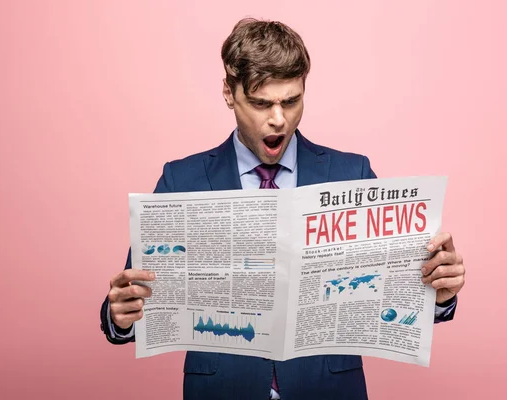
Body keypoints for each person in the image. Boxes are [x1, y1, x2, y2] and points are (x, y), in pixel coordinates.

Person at [100, 18, 466, 399]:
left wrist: (439, 294)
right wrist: (120, 316)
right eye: (260, 103)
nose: (278, 119)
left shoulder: (351, 173)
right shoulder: (181, 180)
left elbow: (391, 298)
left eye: (291, 101)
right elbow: (135, 301)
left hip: (329, 388)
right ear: (229, 93)